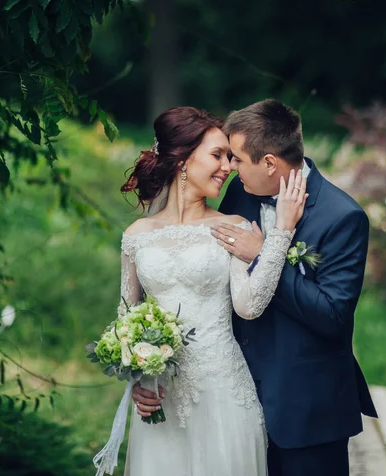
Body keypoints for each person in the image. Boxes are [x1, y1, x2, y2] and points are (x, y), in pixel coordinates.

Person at [119, 106, 307, 476]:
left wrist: (281, 233)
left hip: (223, 392)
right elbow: (126, 318)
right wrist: (138, 379)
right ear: (183, 160)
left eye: (231, 157)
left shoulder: (232, 227)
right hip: (162, 399)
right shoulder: (136, 236)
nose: (229, 167)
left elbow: (249, 307)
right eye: (217, 155)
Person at [208, 99, 377, 476]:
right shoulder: (240, 192)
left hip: (309, 411)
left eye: (236, 158)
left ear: (270, 162)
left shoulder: (342, 217)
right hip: (238, 402)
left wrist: (263, 255)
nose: (229, 167)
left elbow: (332, 315)